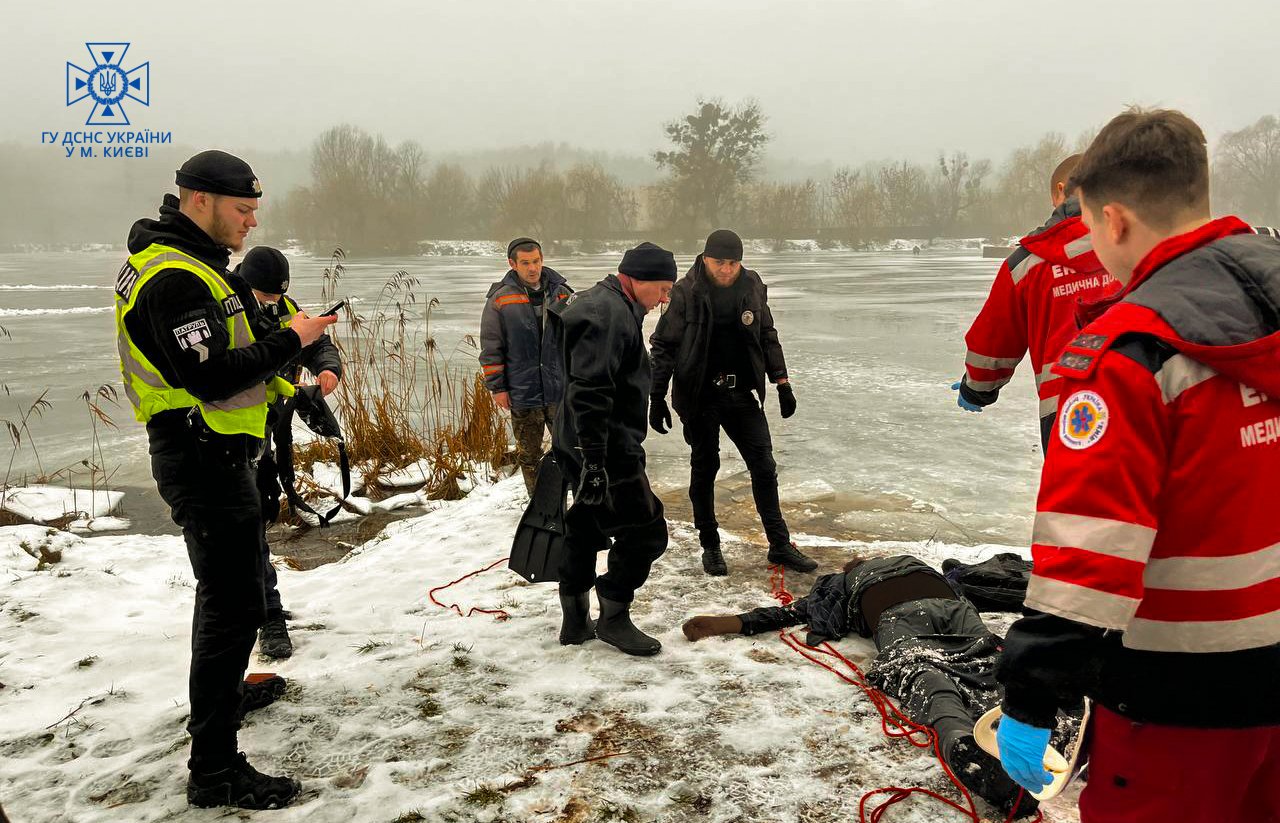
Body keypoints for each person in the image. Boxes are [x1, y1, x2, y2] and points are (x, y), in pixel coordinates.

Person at [994, 108, 1280, 823]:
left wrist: (1031, 692)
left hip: (1182, 699)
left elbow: (1088, 555)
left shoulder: (1129, 355)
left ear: (1114, 220)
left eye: (1090, 227)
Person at [115, 150, 336, 809]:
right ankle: (214, 768)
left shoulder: (194, 264)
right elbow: (211, 375)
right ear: (199, 200)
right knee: (232, 602)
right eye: (242, 210)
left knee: (228, 596)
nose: (251, 221)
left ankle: (227, 692)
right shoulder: (175, 278)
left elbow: (241, 344)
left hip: (211, 448)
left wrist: (293, 371)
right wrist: (293, 339)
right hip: (200, 454)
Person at [682, 553, 1040, 818]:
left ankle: (961, 741)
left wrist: (742, 622)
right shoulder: (913, 562)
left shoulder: (843, 582)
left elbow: (796, 611)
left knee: (919, 670)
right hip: (951, 607)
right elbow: (972, 583)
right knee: (989, 661)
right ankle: (1027, 726)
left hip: (900, 613)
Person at [649, 229, 815, 576]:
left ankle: (779, 544)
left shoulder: (752, 285)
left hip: (740, 394)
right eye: (720, 262)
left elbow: (767, 335)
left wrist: (782, 383)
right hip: (699, 394)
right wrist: (656, 395)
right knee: (705, 466)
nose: (727, 270)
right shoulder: (684, 292)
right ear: (706, 258)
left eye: (734, 262)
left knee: (764, 466)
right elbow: (664, 345)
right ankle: (710, 543)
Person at [549, 242, 674, 656]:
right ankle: (614, 617)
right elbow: (590, 390)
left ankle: (574, 621)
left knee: (584, 525)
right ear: (636, 279)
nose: (663, 299)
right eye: (661, 288)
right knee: (648, 533)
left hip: (582, 442)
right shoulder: (608, 315)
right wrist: (596, 461)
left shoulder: (604, 305)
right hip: (605, 448)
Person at [952, 154, 1120, 450]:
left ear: (1059, 190)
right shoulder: (1137, 243)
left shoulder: (1027, 265)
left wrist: (976, 388)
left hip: (1068, 411)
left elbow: (994, 340)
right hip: (1144, 394)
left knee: (1075, 496)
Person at [232, 245, 343, 660]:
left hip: (269, 430)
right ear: (246, 284)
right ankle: (269, 618)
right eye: (267, 297)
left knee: (260, 516)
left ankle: (263, 605)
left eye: (280, 297)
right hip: (233, 436)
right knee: (248, 533)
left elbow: (315, 342)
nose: (275, 304)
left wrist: (327, 367)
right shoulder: (229, 308)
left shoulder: (285, 306)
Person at [479, 237, 574, 494]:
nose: (533, 268)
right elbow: (491, 347)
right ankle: (537, 501)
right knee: (529, 455)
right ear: (512, 264)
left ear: (542, 260)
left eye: (536, 261)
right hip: (523, 391)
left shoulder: (562, 292)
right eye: (525, 263)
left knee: (571, 448)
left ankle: (574, 500)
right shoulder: (500, 299)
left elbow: (576, 339)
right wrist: (498, 387)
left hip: (559, 389)